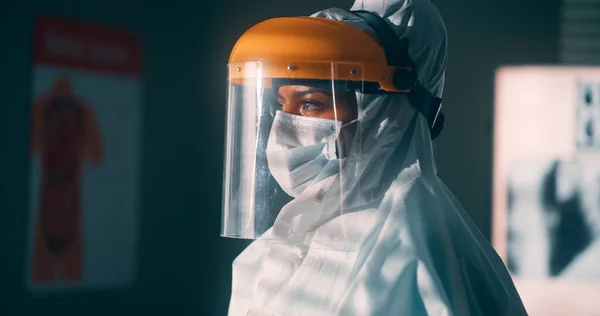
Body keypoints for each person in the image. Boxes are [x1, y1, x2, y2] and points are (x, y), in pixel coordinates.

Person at [221, 0, 528, 315]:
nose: (282, 126)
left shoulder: (412, 255)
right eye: (281, 104)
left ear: (378, 110)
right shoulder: (283, 241)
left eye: (311, 103)